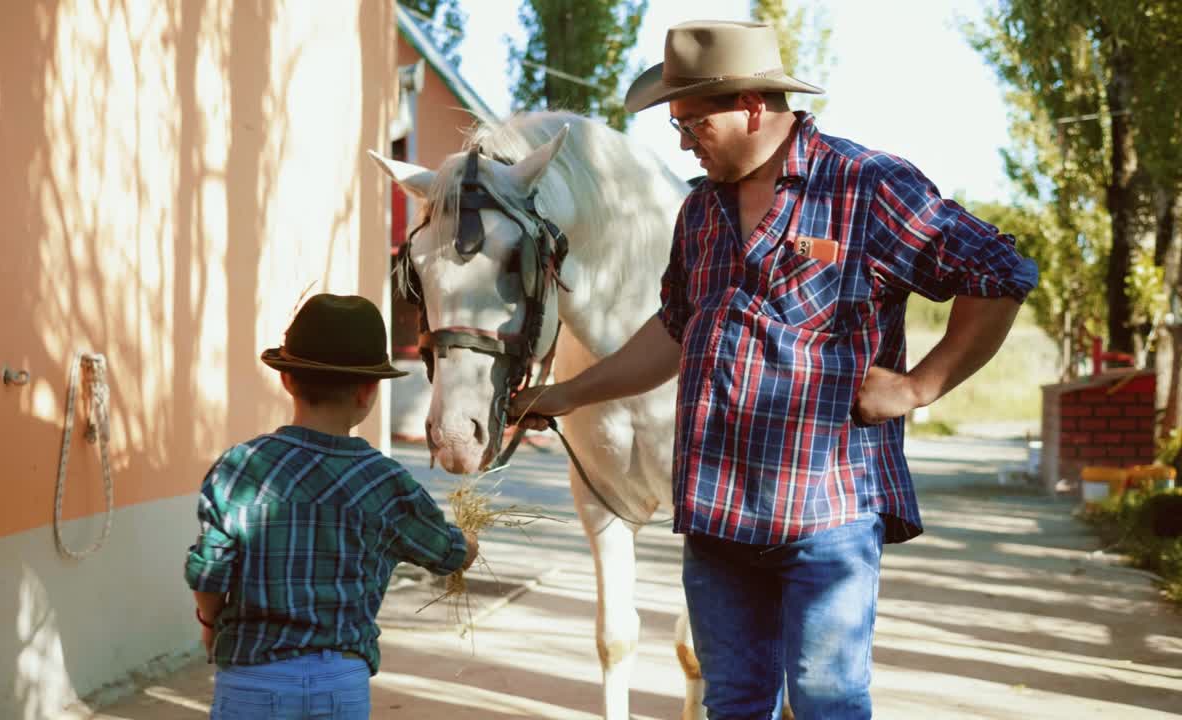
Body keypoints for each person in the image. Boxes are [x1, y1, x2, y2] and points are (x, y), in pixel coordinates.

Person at [510, 20, 1037, 720]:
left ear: (752, 105)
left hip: (828, 513)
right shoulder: (700, 212)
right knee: (733, 702)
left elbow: (999, 272)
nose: (681, 140)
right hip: (716, 512)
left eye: (692, 122)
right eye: (676, 124)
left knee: (825, 701)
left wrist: (920, 386)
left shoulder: (866, 186)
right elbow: (674, 329)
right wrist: (565, 392)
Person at [185, 293, 478, 719]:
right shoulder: (385, 482)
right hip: (340, 684)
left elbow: (208, 572)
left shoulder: (240, 467)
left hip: (252, 677)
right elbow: (447, 552)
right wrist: (470, 542)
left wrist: (210, 626)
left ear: (287, 380)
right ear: (367, 391)